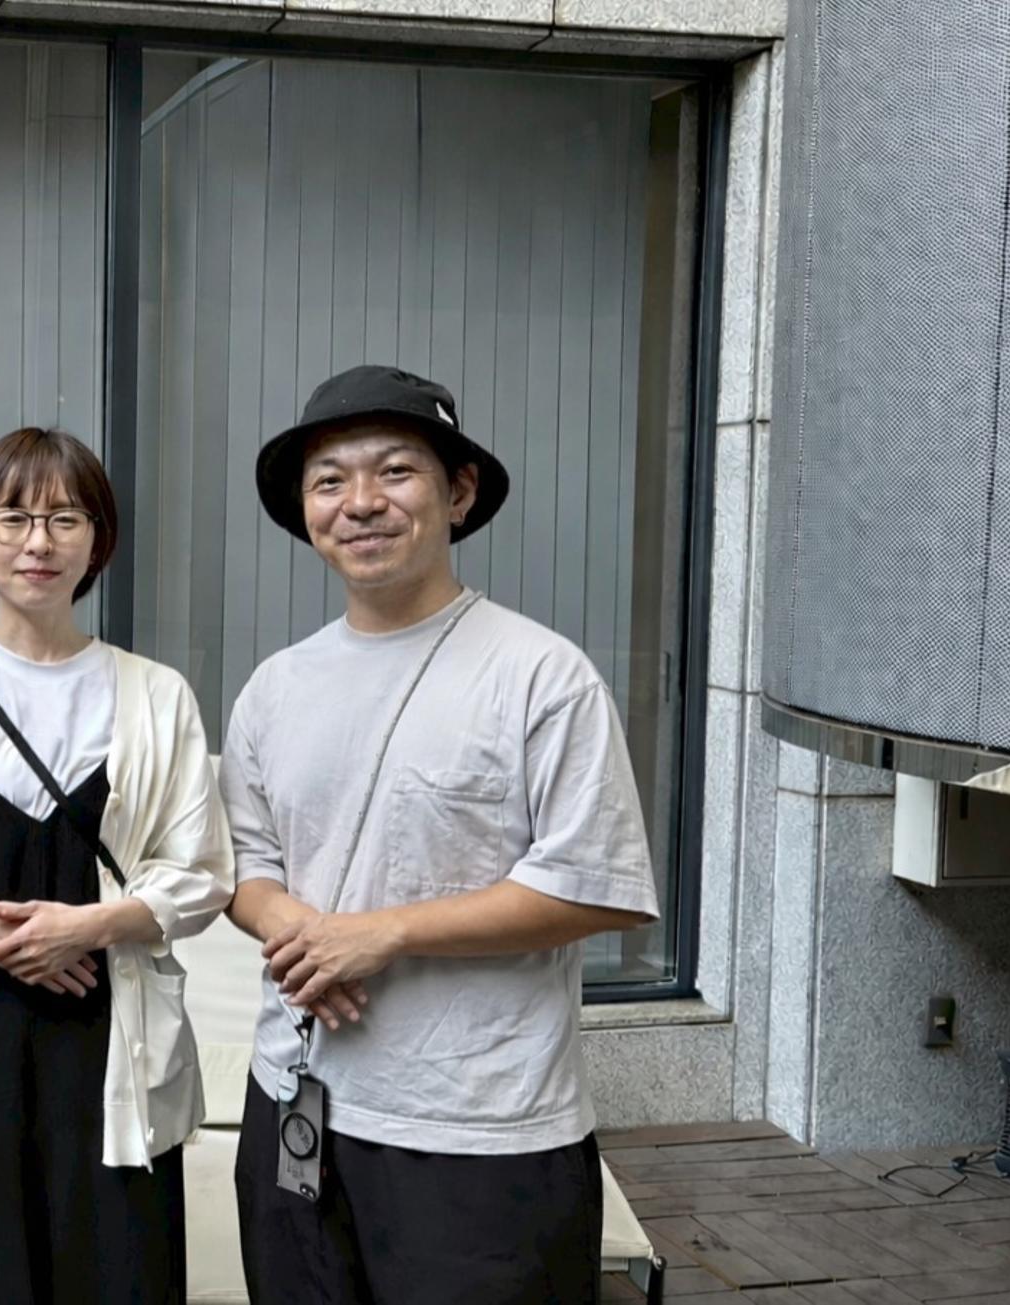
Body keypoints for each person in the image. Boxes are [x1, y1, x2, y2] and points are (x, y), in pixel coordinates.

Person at [221, 366, 661, 1304]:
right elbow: (246, 866)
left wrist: (384, 933)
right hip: (294, 1098)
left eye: (395, 471)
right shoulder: (274, 686)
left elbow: (595, 883)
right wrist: (299, 930)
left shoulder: (541, 675)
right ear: (306, 510)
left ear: (458, 493)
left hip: (479, 1126)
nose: (360, 502)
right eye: (330, 480)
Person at [0, 426, 235, 1305]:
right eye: (12, 517)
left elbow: (201, 868)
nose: (38, 542)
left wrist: (91, 924)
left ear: (96, 540)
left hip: (110, 1025)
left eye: (65, 518)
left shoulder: (157, 693)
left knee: (117, 1268)